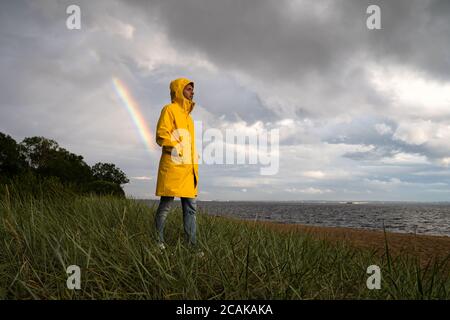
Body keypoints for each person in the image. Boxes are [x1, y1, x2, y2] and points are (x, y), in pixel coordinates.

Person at [154, 78, 201, 255]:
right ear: (179, 90)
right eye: (188, 89)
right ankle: (158, 243)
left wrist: (193, 156)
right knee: (165, 207)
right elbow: (162, 134)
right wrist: (178, 150)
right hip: (173, 167)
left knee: (191, 209)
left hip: (189, 170)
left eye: (192, 90)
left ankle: (192, 246)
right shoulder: (169, 109)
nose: (192, 92)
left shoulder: (189, 118)